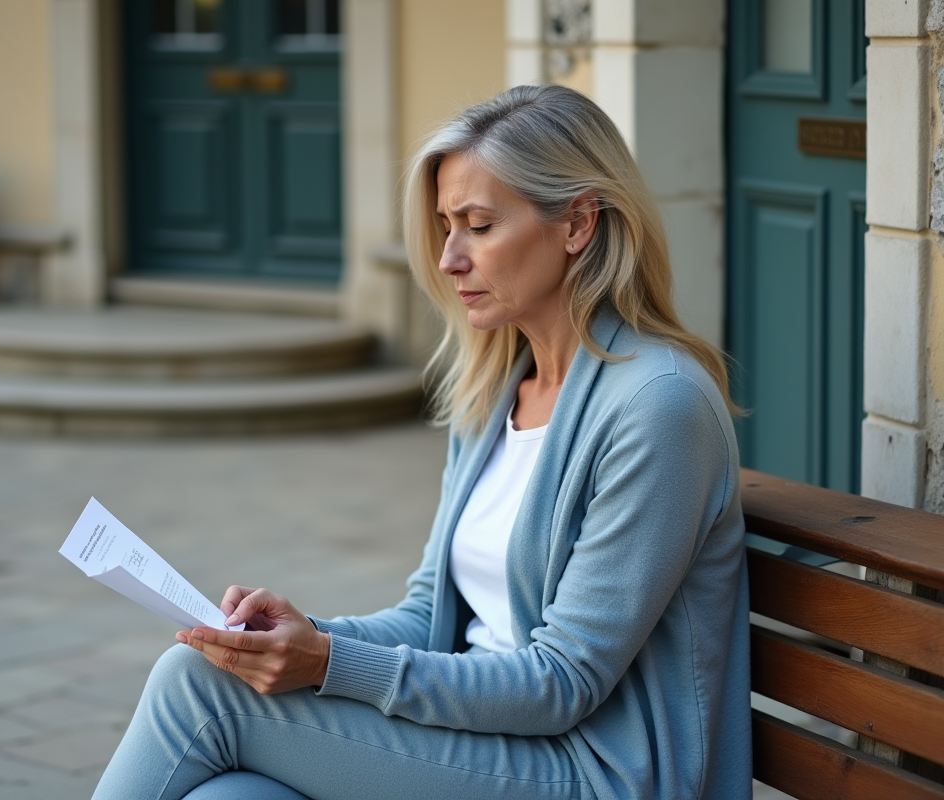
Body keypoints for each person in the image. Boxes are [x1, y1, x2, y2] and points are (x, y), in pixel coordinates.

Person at [92, 84, 751, 800]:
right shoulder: (498, 388)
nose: (449, 259)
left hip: (597, 771)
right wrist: (299, 637)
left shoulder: (658, 404)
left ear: (578, 223)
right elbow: (429, 616)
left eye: (478, 225)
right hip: (492, 746)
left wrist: (327, 663)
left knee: (197, 689)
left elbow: (563, 682)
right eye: (445, 226)